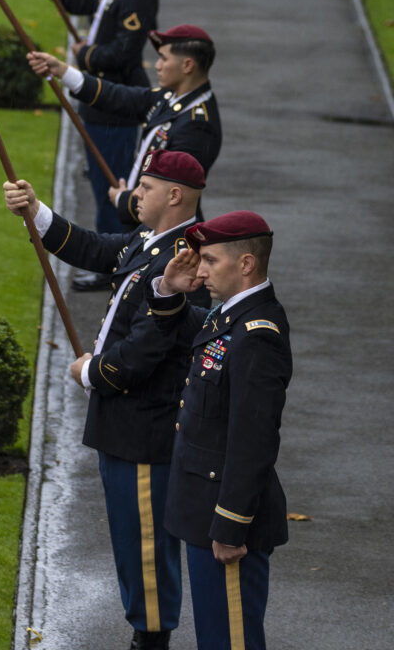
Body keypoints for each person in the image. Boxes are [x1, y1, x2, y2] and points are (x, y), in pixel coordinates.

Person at [3, 149, 210, 650]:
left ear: (175, 196)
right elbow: (96, 249)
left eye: (146, 188)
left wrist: (93, 372)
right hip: (125, 420)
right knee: (129, 539)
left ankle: (152, 637)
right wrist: (36, 211)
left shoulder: (185, 259)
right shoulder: (151, 239)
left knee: (144, 545)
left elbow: (150, 347)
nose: (134, 195)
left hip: (145, 424)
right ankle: (147, 630)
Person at [147, 212, 292, 650]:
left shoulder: (256, 334)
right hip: (203, 512)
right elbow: (190, 334)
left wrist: (231, 524)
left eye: (209, 259)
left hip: (226, 522)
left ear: (246, 263)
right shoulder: (228, 316)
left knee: (230, 642)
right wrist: (170, 290)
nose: (201, 270)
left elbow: (254, 440)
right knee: (217, 636)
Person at [28, 23, 221, 289]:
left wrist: (125, 199)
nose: (157, 65)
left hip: (166, 225)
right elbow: (120, 97)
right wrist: (63, 71)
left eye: (164, 58)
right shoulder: (173, 98)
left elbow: (176, 192)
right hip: (152, 223)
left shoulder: (198, 125)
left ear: (187, 65)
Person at [22, 0, 158, 233]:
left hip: (115, 104)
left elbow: (126, 52)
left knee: (112, 185)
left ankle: (112, 262)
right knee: (101, 184)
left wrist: (87, 54)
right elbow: (83, 1)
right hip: (97, 100)